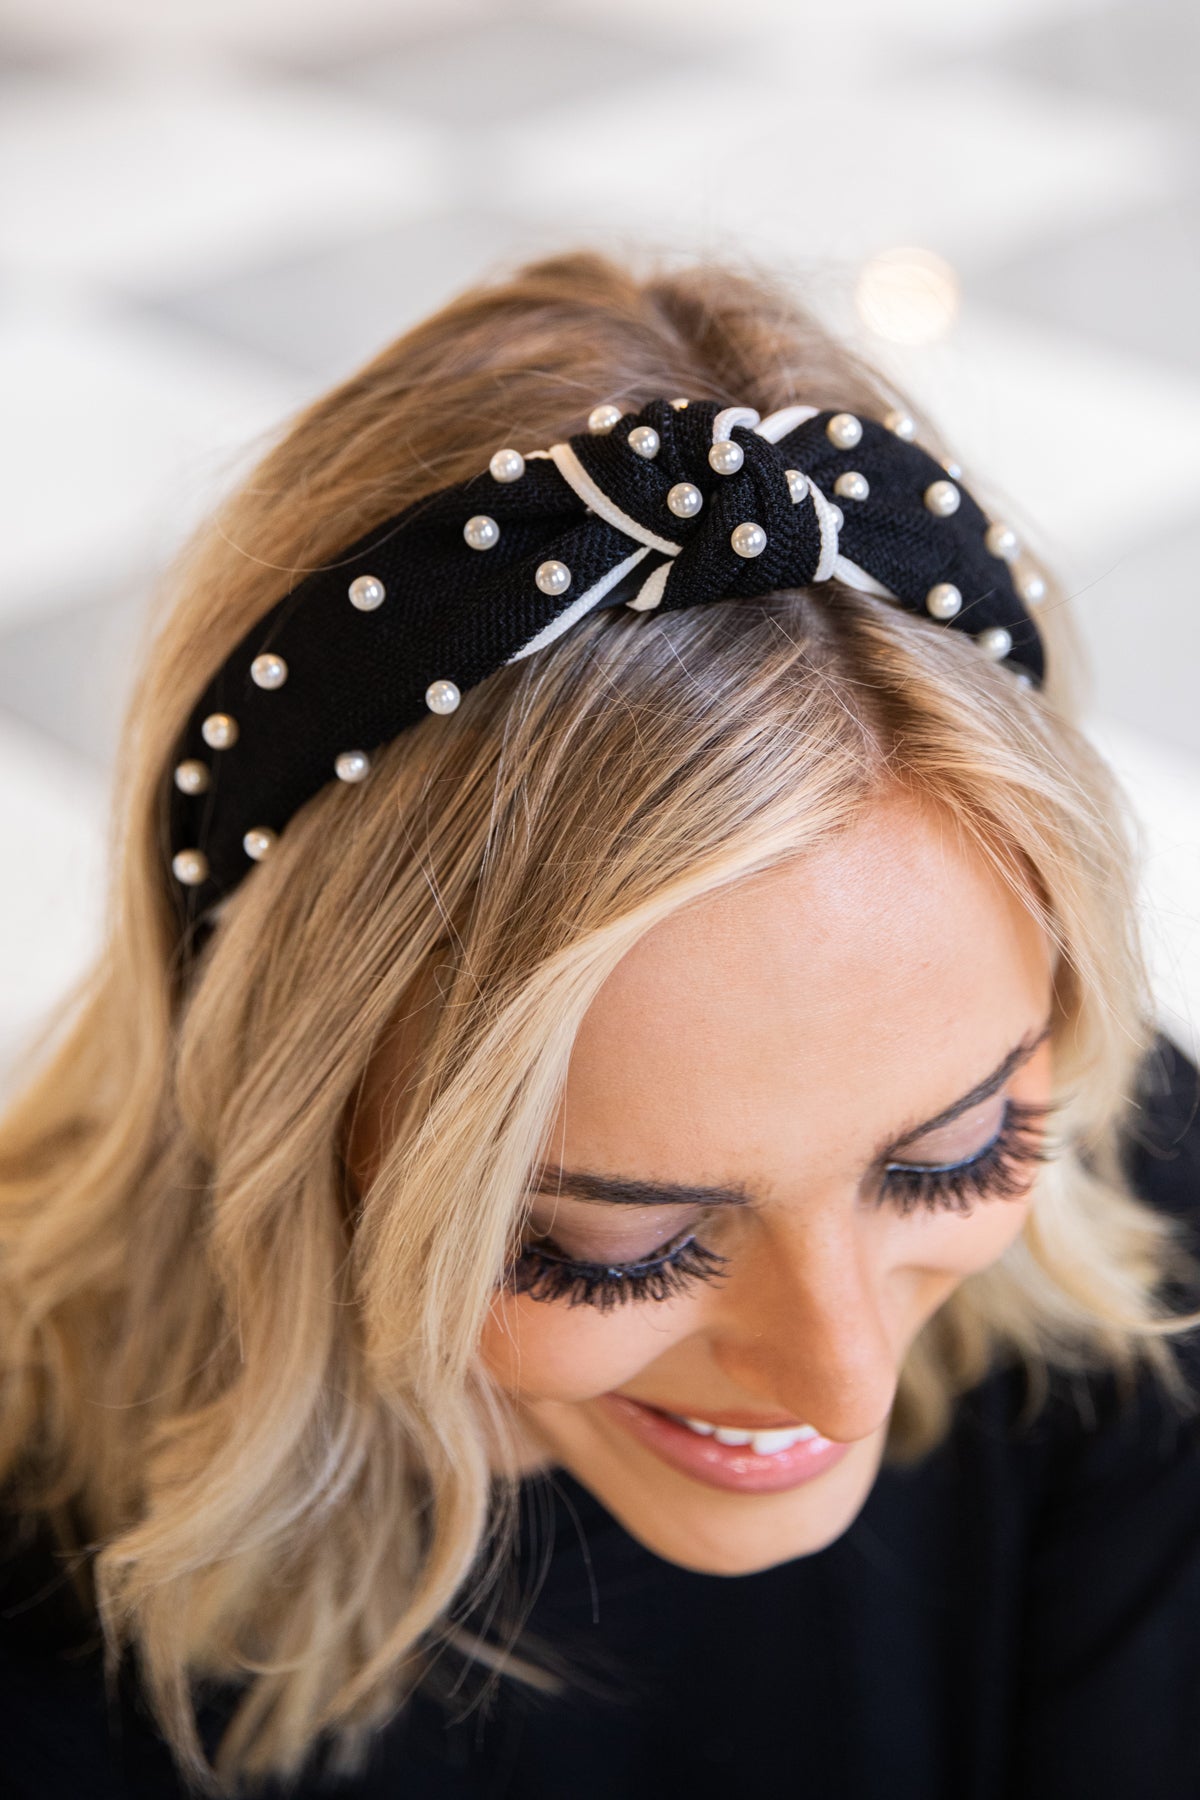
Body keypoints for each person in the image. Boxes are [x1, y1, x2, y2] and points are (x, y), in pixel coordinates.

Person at [1, 251, 1199, 1800]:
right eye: (610, 1249)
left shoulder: (1153, 1248)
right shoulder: (50, 1602)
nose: (842, 1385)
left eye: (958, 1158)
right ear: (292, 1121)